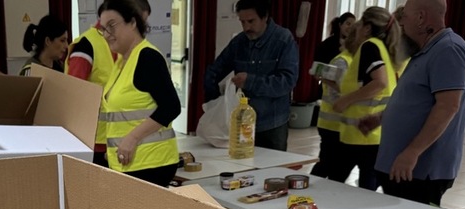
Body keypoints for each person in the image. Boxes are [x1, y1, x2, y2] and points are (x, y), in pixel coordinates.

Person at [361, 0, 465, 209]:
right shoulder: (427, 49)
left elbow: (448, 106)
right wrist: (380, 118)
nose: (402, 23)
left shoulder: (448, 49)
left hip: (422, 171)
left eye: (406, 16)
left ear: (422, 17)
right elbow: (415, 100)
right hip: (406, 167)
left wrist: (411, 152)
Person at [99, 0, 180, 187]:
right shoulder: (121, 62)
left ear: (133, 23)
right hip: (128, 163)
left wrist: (132, 138)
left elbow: (171, 107)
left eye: (112, 26)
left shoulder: (147, 58)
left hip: (151, 164)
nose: (106, 34)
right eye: (103, 29)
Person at [203, 0, 298, 151]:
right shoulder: (239, 42)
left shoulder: (283, 40)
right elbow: (214, 71)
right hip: (241, 124)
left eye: (251, 21)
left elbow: (287, 82)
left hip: (272, 123)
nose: (246, 27)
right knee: (242, 169)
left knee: (272, 169)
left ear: (265, 17)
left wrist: (250, 81)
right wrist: (215, 104)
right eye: (242, 22)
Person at [330, 7, 399, 191]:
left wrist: (346, 101)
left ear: (367, 28)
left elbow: (380, 83)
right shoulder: (384, 49)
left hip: (360, 133)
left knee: (334, 182)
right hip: (372, 133)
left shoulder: (370, 46)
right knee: (366, 186)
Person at [67, 3, 117, 166]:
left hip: (116, 139)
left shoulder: (121, 47)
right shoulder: (87, 46)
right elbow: (73, 93)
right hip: (94, 142)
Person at [312, 16, 355, 179]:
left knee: (335, 166)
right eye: (347, 24)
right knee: (327, 165)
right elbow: (339, 88)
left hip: (340, 123)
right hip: (332, 122)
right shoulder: (342, 60)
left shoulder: (352, 58)